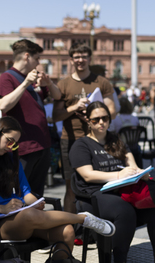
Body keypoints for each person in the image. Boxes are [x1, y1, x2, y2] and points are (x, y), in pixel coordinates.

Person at [0, 116, 115, 256]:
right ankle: (83, 218)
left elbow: (26, 192)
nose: (11, 147)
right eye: (10, 141)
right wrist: (2, 208)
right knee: (29, 215)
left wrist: (34, 202)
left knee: (67, 231)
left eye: (15, 144)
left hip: (22, 218)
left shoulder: (11, 159)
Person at [70, 102, 155, 263]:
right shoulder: (81, 145)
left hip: (123, 191)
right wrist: (118, 175)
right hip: (93, 195)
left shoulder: (116, 140)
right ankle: (120, 259)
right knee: (125, 211)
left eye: (105, 118)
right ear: (88, 121)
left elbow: (133, 165)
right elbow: (87, 175)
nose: (101, 122)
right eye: (96, 119)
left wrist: (140, 174)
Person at [53, 43, 116, 214]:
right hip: (70, 140)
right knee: (70, 185)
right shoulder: (63, 84)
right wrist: (74, 107)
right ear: (71, 59)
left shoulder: (101, 82)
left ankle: (98, 223)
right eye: (76, 57)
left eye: (83, 56)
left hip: (98, 140)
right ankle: (70, 227)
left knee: (100, 183)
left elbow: (112, 111)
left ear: (89, 58)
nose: (80, 60)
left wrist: (94, 116)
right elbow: (55, 116)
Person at [0, 39, 62, 196]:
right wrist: (25, 83)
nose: (38, 62)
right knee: (20, 194)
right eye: (37, 58)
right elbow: (4, 105)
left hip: (42, 145)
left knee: (37, 193)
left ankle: (35, 220)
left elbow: (58, 96)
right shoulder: (7, 77)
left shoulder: (34, 79)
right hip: (22, 148)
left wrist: (49, 83)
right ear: (27, 56)